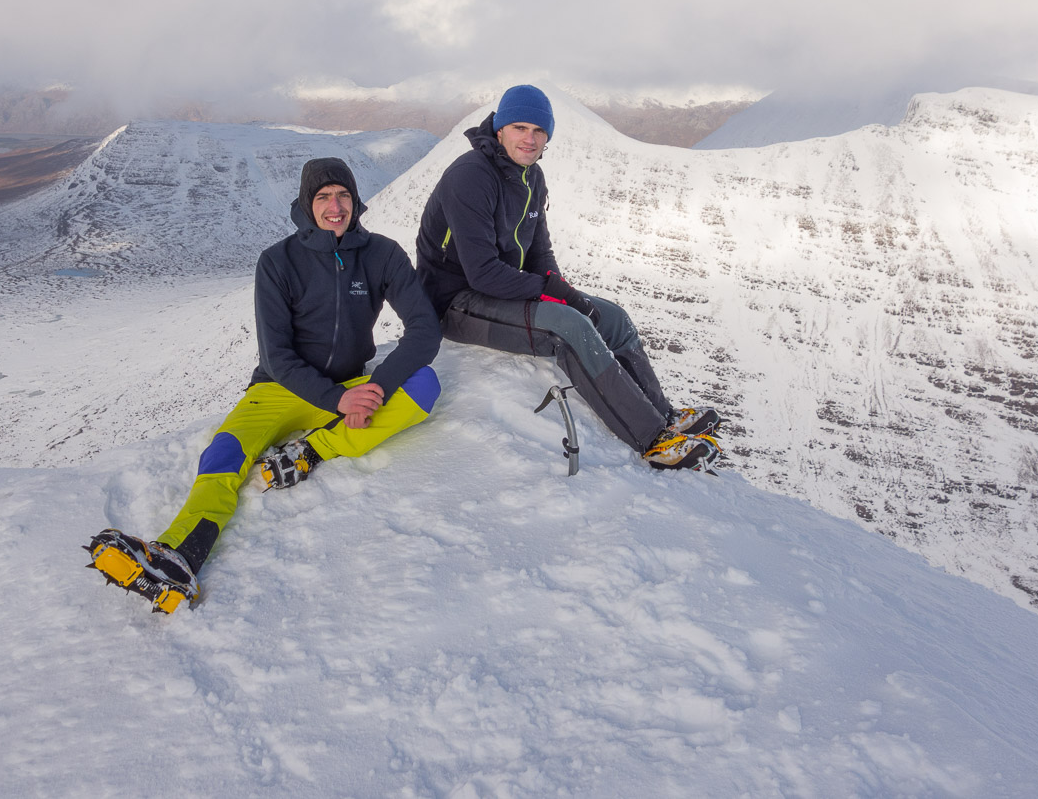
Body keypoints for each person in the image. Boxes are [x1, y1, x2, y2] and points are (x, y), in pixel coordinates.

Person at [87, 157, 442, 611]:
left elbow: (424, 330)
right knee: (224, 452)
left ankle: (313, 449)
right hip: (282, 388)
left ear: (356, 202)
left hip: (353, 380)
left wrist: (372, 389)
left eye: (343, 196)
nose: (335, 207)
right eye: (323, 197)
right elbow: (277, 355)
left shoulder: (382, 254)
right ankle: (180, 555)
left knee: (425, 385)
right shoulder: (278, 261)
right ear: (306, 205)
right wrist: (339, 398)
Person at [414, 84, 721, 471]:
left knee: (612, 317)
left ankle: (664, 414)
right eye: (520, 128)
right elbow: (482, 273)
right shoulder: (470, 176)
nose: (530, 138)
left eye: (538, 131)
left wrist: (563, 289)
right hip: (454, 301)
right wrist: (552, 294)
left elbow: (539, 251)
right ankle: (652, 439)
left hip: (498, 291)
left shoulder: (531, 177)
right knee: (568, 327)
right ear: (499, 130)